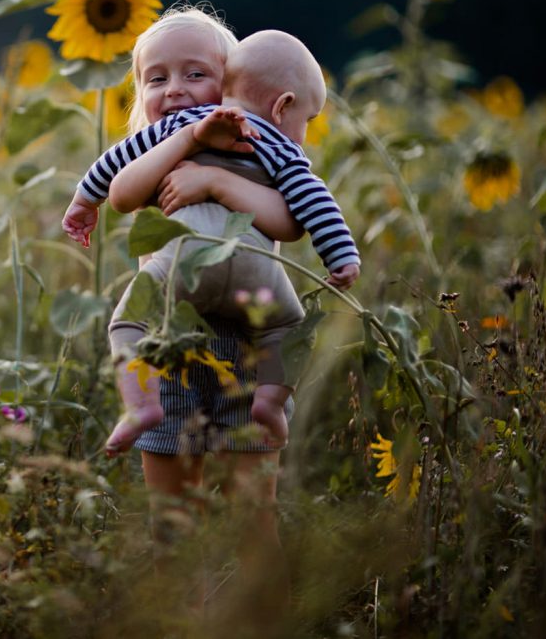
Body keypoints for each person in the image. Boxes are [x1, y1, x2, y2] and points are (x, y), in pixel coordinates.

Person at [69, 27, 360, 458]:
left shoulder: (173, 133)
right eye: (157, 79)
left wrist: (82, 201)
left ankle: (138, 404)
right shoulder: (276, 145)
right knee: (290, 326)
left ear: (227, 82)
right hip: (247, 304)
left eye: (195, 75)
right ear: (283, 106)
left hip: (191, 305)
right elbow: (313, 202)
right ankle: (272, 401)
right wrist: (343, 254)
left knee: (128, 324)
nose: (174, 92)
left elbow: (110, 168)